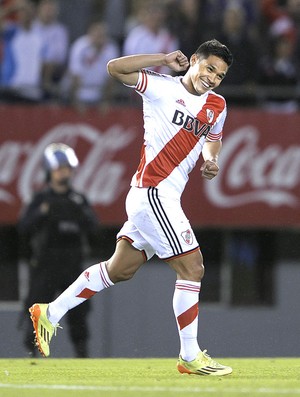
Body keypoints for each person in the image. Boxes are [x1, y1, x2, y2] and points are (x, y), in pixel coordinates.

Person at [29, 39, 233, 376]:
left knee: (119, 269)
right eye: (209, 68)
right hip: (154, 193)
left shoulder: (218, 104)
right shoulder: (160, 86)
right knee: (192, 268)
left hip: (157, 197)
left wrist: (210, 160)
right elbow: (114, 68)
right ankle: (190, 356)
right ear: (194, 60)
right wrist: (164, 59)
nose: (212, 78)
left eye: (220, 75)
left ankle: (49, 313)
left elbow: (213, 137)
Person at [19, 143, 99, 357]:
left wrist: (81, 214)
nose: (64, 172)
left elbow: (94, 229)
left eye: (67, 168)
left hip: (73, 264)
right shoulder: (41, 200)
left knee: (79, 316)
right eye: (59, 168)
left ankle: (82, 358)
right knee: (35, 315)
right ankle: (31, 359)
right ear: (49, 171)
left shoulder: (78, 200)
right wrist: (42, 213)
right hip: (46, 265)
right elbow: (23, 228)